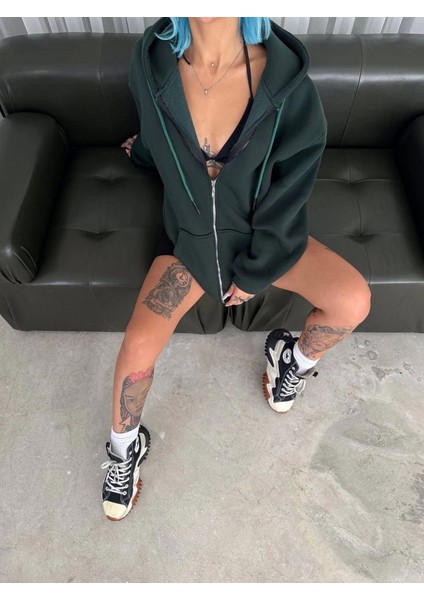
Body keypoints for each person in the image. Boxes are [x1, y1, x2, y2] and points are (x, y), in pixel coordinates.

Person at [101, 17, 372, 521]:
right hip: (190, 247)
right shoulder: (151, 62)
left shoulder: (287, 84)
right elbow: (160, 133)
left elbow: (291, 186)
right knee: (135, 349)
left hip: (262, 241)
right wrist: (143, 150)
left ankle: (290, 362)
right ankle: (123, 452)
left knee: (353, 300)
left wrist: (254, 272)